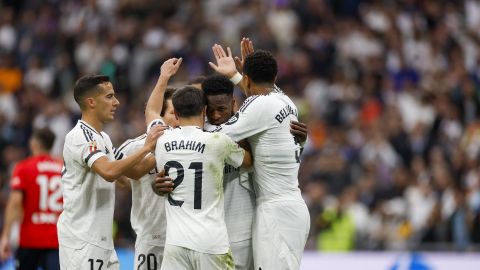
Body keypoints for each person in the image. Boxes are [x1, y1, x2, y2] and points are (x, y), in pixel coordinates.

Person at [209, 45, 310, 270]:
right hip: (291, 206)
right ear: (275, 77)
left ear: (247, 78)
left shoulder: (259, 105)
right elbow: (261, 97)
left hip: (276, 212)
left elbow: (217, 136)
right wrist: (236, 76)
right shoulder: (286, 101)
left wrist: (181, 131)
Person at [57, 75, 164, 269]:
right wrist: (146, 147)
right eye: (109, 97)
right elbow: (108, 171)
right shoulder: (79, 136)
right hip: (82, 241)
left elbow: (131, 174)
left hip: (103, 240)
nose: (117, 102)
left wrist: (164, 152)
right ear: (91, 102)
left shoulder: (103, 138)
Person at [154, 86, 253, 270]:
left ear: (175, 113)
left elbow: (151, 112)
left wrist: (163, 77)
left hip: (175, 243)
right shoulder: (217, 141)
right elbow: (249, 161)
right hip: (211, 242)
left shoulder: (160, 141)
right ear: (204, 111)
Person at [118, 58, 182, 270]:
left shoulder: (193, 143)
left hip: (184, 236)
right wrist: (134, 186)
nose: (179, 119)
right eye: (173, 113)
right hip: (152, 237)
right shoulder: (132, 147)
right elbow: (114, 172)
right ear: (160, 116)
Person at [0, 128, 62, 269]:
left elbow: (15, 203)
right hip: (57, 239)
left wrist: (5, 236)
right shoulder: (62, 168)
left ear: (34, 143)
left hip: (30, 239)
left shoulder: (23, 168)